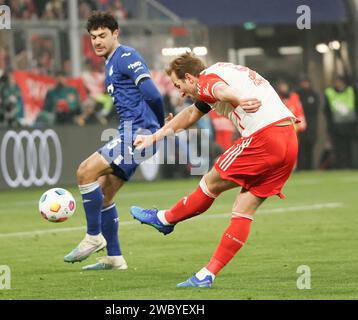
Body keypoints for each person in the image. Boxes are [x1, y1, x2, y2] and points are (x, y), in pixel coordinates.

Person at [130, 54, 298, 288]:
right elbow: (190, 114)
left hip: (264, 138)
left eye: (179, 85)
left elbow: (220, 90)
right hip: (289, 141)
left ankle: (165, 219)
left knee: (210, 182)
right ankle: (206, 275)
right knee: (243, 210)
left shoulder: (207, 80)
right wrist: (154, 138)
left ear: (190, 78)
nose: (180, 93)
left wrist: (239, 98)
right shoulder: (220, 73)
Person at [63, 11, 165, 270]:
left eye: (102, 35)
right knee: (104, 192)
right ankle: (114, 257)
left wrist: (161, 126)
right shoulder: (109, 63)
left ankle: (93, 236)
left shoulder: (126, 57)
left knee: (85, 172)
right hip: (131, 133)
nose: (97, 41)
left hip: (138, 134)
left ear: (115, 33)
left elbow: (152, 93)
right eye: (93, 37)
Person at [324, 76, 358, 169]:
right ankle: (340, 166)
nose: (338, 84)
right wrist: (330, 126)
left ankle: (351, 165)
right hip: (336, 127)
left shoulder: (351, 91)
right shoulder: (329, 93)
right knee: (339, 148)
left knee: (350, 148)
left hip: (350, 126)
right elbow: (327, 111)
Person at [296, 75, 320, 170]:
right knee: (300, 148)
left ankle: (310, 167)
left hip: (311, 124)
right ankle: (301, 167)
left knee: (310, 146)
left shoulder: (313, 94)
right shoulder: (297, 94)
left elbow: (314, 108)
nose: (304, 84)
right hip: (300, 124)